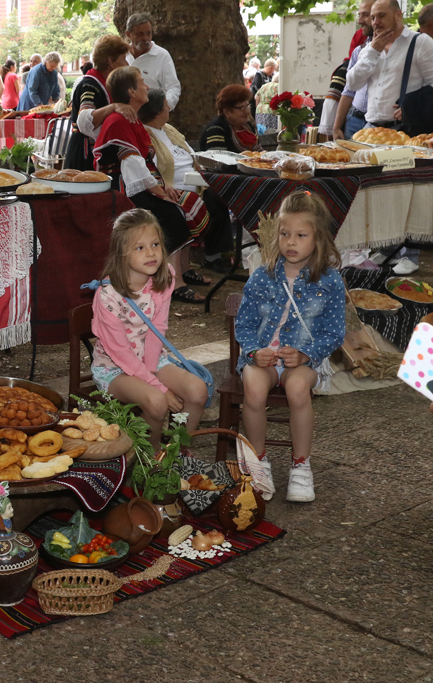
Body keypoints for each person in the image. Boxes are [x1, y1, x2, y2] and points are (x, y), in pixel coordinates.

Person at [235, 191, 346, 503]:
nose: (291, 242)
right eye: (285, 234)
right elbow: (243, 325)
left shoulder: (330, 281)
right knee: (254, 389)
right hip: (263, 356)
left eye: (301, 235)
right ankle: (258, 463)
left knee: (298, 389)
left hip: (305, 360)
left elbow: (334, 332)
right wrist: (254, 352)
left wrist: (306, 354)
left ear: (318, 238)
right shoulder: (262, 276)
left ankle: (301, 466)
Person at [89, 208, 208, 451]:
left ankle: (177, 452)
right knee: (156, 403)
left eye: (155, 244)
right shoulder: (107, 296)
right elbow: (120, 352)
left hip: (151, 359)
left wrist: (153, 372)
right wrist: (159, 387)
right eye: (139, 247)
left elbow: (158, 329)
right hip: (114, 369)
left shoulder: (164, 278)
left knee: (198, 390)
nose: (151, 253)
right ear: (122, 253)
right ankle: (151, 460)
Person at [94, 67, 202, 304]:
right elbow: (133, 166)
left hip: (136, 183)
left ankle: (181, 270)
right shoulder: (118, 121)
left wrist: (164, 186)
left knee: (186, 204)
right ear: (132, 91)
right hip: (122, 190)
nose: (147, 87)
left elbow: (146, 162)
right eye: (142, 82)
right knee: (171, 213)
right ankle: (175, 283)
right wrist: (159, 191)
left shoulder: (130, 118)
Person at [139, 89, 233, 289]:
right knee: (185, 208)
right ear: (157, 110)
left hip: (194, 184)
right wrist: (165, 185)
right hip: (169, 189)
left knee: (219, 198)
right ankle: (178, 276)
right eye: (166, 105)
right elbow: (149, 167)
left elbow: (192, 156)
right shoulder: (145, 134)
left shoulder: (168, 129)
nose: (169, 108)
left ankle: (191, 265)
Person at [345, 0, 433, 130]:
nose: (375, 22)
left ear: (398, 15)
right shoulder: (368, 49)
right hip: (370, 129)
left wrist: (415, 107)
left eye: (381, 16)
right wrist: (373, 51)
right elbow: (352, 84)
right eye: (373, 17)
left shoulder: (420, 42)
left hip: (404, 129)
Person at [65, 34, 133, 170]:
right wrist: (114, 107)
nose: (127, 64)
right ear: (110, 61)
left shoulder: (104, 83)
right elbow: (84, 118)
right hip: (85, 155)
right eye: (123, 59)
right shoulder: (90, 85)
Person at [333, 0, 374, 140]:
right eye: (359, 15)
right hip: (354, 120)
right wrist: (337, 126)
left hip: (380, 125)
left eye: (365, 15)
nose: (360, 20)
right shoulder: (359, 50)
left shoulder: (398, 49)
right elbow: (348, 90)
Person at [125, 13, 181, 110]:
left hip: (152, 116)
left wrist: (163, 107)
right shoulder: (122, 55)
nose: (145, 38)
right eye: (140, 34)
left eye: (148, 33)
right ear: (129, 34)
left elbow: (173, 87)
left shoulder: (162, 55)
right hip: (125, 115)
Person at [199, 85, 262, 153]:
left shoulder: (248, 126)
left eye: (247, 106)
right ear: (227, 112)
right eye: (242, 108)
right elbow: (218, 160)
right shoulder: (216, 129)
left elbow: (259, 153)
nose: (247, 111)